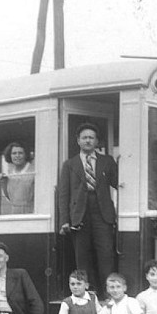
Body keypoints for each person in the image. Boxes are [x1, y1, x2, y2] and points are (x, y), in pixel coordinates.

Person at [58, 123, 118, 299]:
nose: (88, 140)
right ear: (78, 141)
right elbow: (64, 194)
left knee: (105, 255)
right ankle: (87, 297)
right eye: (84, 137)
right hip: (79, 214)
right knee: (82, 258)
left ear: (97, 141)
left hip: (102, 213)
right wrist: (65, 220)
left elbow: (118, 183)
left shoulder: (107, 161)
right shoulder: (69, 165)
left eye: (91, 137)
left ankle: (109, 296)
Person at [0, 142, 35, 215]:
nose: (17, 156)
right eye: (14, 153)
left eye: (20, 153)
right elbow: (9, 196)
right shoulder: (10, 172)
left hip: (31, 212)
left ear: (25, 154)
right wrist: (3, 181)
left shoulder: (33, 170)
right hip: (14, 212)